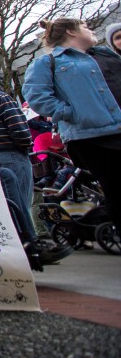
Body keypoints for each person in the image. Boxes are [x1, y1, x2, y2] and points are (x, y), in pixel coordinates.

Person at [23, 18, 121, 245]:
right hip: (92, 137)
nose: (90, 30)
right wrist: (71, 112)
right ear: (71, 31)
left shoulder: (105, 54)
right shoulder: (47, 62)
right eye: (85, 27)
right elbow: (37, 96)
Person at [0, 68, 71, 265]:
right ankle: (30, 248)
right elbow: (20, 131)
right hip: (9, 155)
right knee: (20, 203)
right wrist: (24, 147)